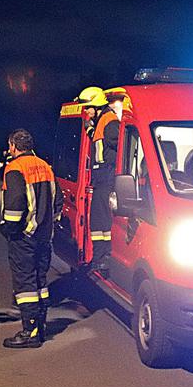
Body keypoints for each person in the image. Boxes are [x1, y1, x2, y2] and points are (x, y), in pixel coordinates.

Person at [0, 129, 62, 348]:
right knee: (39, 281)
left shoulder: (15, 167)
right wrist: (47, 225)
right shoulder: (46, 166)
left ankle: (30, 331)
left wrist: (8, 228)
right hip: (44, 236)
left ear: (14, 146)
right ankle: (40, 325)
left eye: (9, 145)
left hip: (24, 236)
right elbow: (58, 201)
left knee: (25, 284)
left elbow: (15, 202)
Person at [77, 86, 119, 277]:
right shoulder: (102, 120)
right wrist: (90, 128)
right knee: (97, 221)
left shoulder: (109, 120)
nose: (86, 111)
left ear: (96, 104)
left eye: (87, 107)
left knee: (101, 221)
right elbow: (101, 139)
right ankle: (99, 257)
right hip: (102, 177)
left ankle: (103, 258)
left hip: (106, 176)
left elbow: (117, 143)